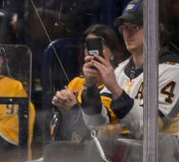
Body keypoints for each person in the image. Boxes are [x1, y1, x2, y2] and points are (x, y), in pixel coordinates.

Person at [81, 0, 179, 141]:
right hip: (130, 157)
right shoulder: (121, 70)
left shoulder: (173, 71)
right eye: (124, 28)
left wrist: (115, 89)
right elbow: (96, 124)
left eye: (135, 27)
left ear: (156, 30)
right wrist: (91, 88)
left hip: (167, 159)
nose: (127, 33)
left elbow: (149, 129)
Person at [50, 24, 125, 143]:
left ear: (112, 53)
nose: (94, 53)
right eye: (88, 47)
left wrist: (73, 109)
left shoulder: (117, 85)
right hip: (69, 150)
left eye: (101, 46)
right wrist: (61, 106)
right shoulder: (76, 83)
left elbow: (99, 129)